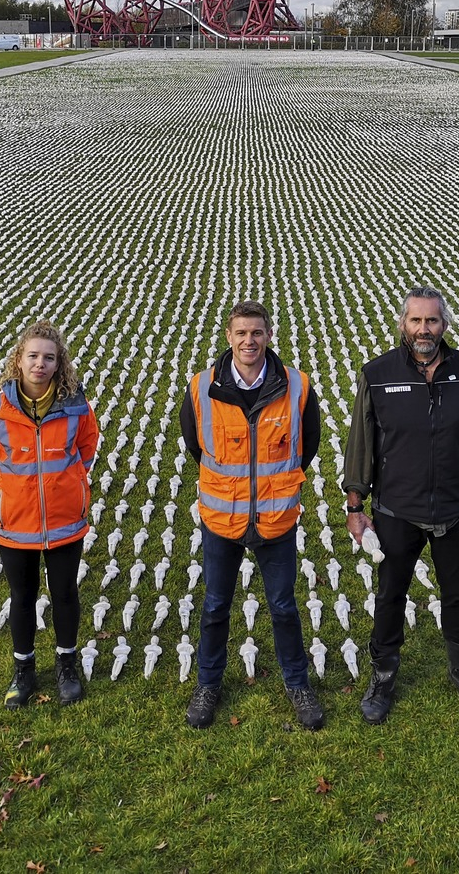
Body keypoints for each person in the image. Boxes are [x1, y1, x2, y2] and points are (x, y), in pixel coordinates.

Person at [343, 286, 459, 723]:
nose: (424, 329)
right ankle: (384, 675)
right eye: (416, 320)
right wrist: (356, 504)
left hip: (454, 508)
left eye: (432, 320)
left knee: (458, 594)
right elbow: (362, 442)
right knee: (391, 594)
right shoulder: (378, 373)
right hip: (397, 507)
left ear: (444, 324)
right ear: (403, 324)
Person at [179, 300, 324, 730]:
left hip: (276, 518)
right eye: (241, 332)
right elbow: (195, 444)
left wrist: (274, 486)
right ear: (228, 337)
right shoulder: (201, 387)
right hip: (221, 520)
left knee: (283, 606)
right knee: (215, 606)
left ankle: (297, 684)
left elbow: (308, 444)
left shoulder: (296, 386)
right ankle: (208, 685)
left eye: (257, 332)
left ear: (269, 336)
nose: (249, 340)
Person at [0, 321, 100, 707]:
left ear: (59, 363)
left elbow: (86, 449)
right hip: (15, 521)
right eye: (33, 356)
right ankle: (23, 669)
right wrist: (10, 492)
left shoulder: (76, 406)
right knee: (22, 594)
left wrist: (68, 483)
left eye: (49, 357)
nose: (40, 364)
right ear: (19, 359)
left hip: (65, 519)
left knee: (64, 591)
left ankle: (66, 663)